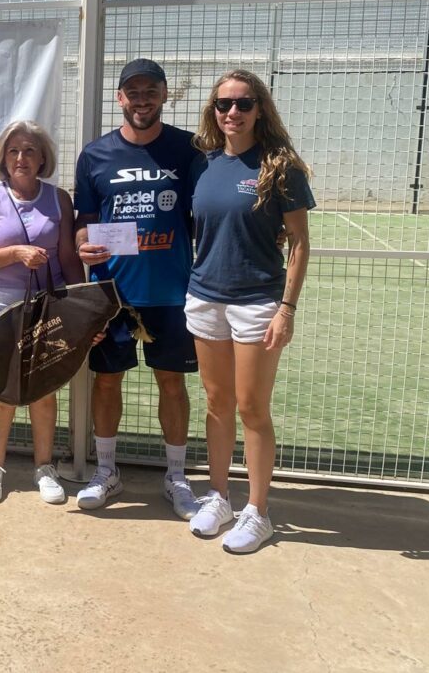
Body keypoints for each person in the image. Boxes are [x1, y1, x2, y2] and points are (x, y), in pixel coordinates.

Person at [184, 69, 313, 554]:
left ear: (260, 108)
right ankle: (219, 497)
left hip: (258, 302)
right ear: (212, 110)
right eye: (223, 104)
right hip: (204, 297)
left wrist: (286, 309)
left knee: (251, 407)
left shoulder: (281, 167)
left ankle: (258, 512)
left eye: (242, 103)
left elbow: (299, 243)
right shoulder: (206, 164)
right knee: (217, 404)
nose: (231, 113)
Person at [73, 58, 202, 518]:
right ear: (120, 98)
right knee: (106, 382)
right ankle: (106, 470)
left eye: (151, 90)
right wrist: (84, 246)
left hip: (172, 292)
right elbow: (85, 226)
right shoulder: (95, 155)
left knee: (172, 383)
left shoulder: (190, 150)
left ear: (165, 95)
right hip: (113, 296)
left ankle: (176, 476)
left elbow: (202, 218)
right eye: (133, 91)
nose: (142, 99)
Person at [0, 121, 84, 505]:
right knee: (4, 389)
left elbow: (67, 256)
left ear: (42, 157)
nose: (21, 158)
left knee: (43, 387)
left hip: (47, 304)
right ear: (3, 157)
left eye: (30, 150)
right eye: (14, 151)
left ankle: (44, 467)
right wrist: (16, 253)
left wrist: (81, 303)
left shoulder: (59, 199)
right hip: (1, 306)